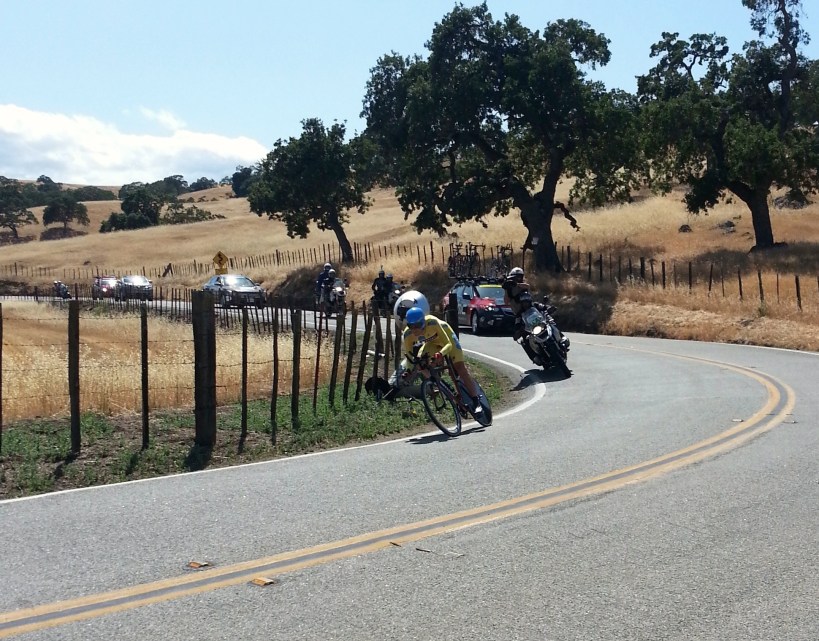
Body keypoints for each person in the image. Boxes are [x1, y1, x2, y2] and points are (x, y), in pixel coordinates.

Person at [401, 306, 485, 414]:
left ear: (423, 322)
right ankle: (439, 385)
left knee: (459, 368)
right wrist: (408, 370)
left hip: (447, 339)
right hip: (432, 344)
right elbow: (410, 357)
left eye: (417, 326)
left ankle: (476, 401)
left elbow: (448, 345)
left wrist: (440, 354)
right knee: (419, 363)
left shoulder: (432, 322)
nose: (414, 330)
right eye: (410, 326)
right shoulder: (408, 334)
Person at [502, 267, 568, 365]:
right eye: (516, 277)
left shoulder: (522, 285)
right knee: (525, 339)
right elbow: (506, 301)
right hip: (520, 314)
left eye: (520, 277)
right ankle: (536, 357)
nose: (518, 279)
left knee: (549, 320)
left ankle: (562, 340)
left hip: (532, 309)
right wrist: (507, 288)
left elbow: (527, 286)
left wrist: (549, 308)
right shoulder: (509, 289)